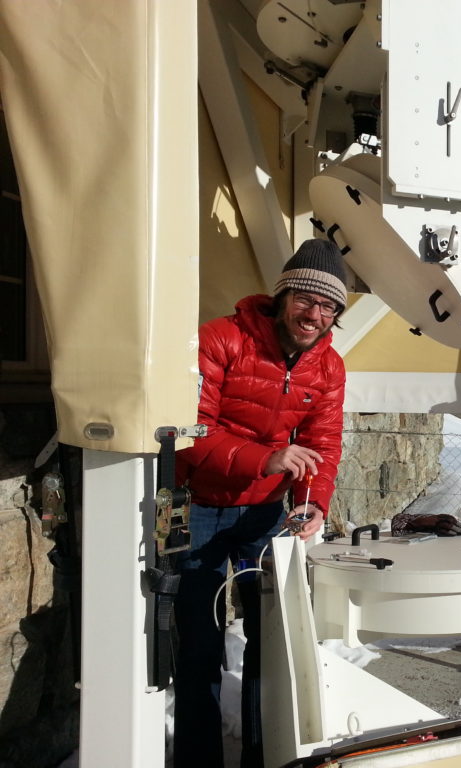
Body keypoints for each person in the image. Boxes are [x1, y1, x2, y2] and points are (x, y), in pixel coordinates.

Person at [173, 238, 348, 768]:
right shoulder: (221, 339)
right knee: (197, 645)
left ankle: (260, 755)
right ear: (283, 295)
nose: (314, 315)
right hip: (199, 508)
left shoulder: (329, 368)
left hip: (265, 518)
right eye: (306, 300)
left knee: (268, 641)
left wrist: (314, 502)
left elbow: (324, 446)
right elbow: (190, 430)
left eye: (328, 307)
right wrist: (266, 459)